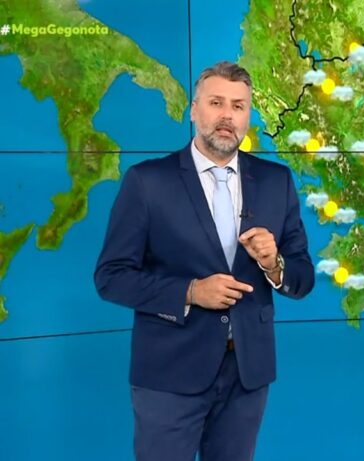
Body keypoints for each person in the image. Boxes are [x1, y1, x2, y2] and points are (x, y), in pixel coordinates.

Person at [94, 61, 315, 460]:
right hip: (169, 373)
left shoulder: (276, 181)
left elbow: (302, 277)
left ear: (248, 116)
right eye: (216, 103)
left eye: (238, 106)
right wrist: (191, 292)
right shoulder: (148, 182)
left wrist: (274, 264)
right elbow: (111, 277)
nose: (227, 116)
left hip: (246, 374)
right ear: (194, 110)